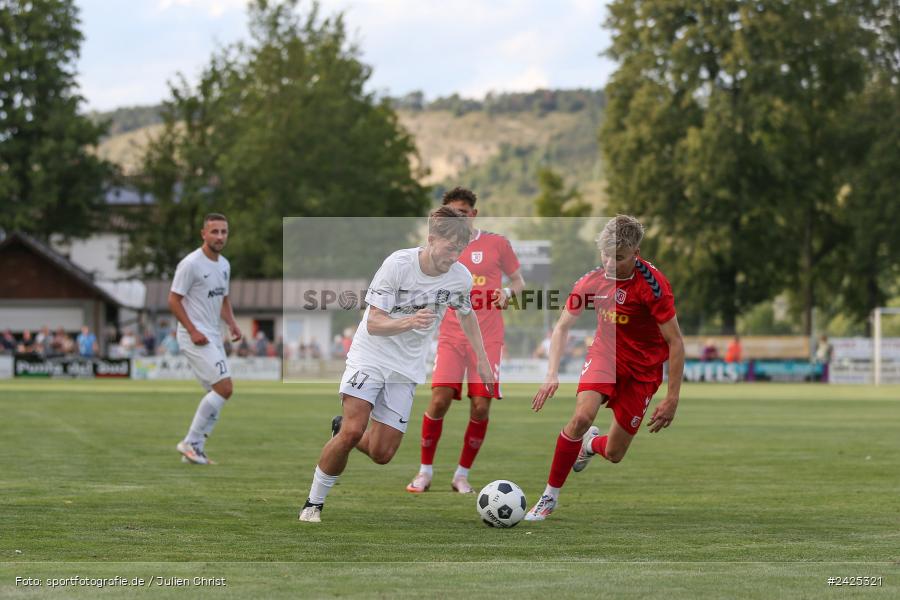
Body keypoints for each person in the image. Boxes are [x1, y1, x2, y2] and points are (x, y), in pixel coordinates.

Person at [299, 206, 495, 523]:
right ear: (432, 239)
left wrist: (483, 362)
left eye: (461, 249)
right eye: (450, 247)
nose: (454, 255)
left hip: (406, 369)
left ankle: (340, 429)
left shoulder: (460, 277)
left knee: (382, 454)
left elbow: (467, 314)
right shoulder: (398, 265)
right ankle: (313, 504)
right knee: (352, 431)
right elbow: (374, 322)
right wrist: (410, 321)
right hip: (371, 356)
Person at [525, 215, 685, 521]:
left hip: (644, 370)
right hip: (604, 355)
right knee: (582, 417)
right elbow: (561, 328)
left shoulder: (654, 286)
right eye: (606, 255)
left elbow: (675, 342)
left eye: (619, 258)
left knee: (614, 453)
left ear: (636, 255)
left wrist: (672, 397)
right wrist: (551, 374)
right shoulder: (591, 281)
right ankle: (549, 497)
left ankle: (590, 446)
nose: (610, 264)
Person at [406, 187, 525, 494]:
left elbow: (519, 282)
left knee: (481, 406)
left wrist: (509, 294)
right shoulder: (442, 247)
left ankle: (461, 475)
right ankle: (425, 472)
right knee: (439, 399)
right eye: (452, 213)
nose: (458, 218)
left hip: (489, 339)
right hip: (451, 335)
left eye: (462, 212)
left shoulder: (497, 244)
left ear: (473, 214)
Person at [169, 213, 242, 465]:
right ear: (203, 234)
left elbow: (223, 298)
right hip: (195, 336)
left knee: (219, 392)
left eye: (224, 231)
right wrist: (192, 330)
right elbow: (173, 299)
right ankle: (190, 442)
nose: (220, 236)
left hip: (212, 335)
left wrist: (231, 323)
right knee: (225, 388)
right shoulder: (190, 264)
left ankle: (195, 449)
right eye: (215, 231)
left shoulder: (224, 264)